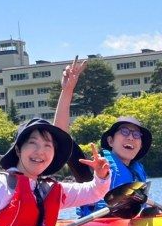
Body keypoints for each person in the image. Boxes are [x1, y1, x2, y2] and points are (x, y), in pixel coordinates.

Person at [53, 58, 153, 215]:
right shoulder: (93, 169)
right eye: (125, 132)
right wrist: (67, 90)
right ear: (110, 141)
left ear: (140, 145)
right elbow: (60, 137)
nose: (131, 138)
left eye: (136, 134)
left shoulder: (136, 172)